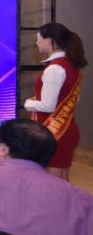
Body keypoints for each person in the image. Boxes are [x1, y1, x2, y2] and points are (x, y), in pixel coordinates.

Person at [23, 22, 85, 178]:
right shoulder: (72, 64)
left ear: (49, 41)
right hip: (65, 129)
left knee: (52, 183)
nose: (36, 42)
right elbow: (75, 100)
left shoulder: (54, 68)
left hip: (54, 133)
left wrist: (27, 103)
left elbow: (47, 106)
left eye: (38, 38)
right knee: (62, 182)